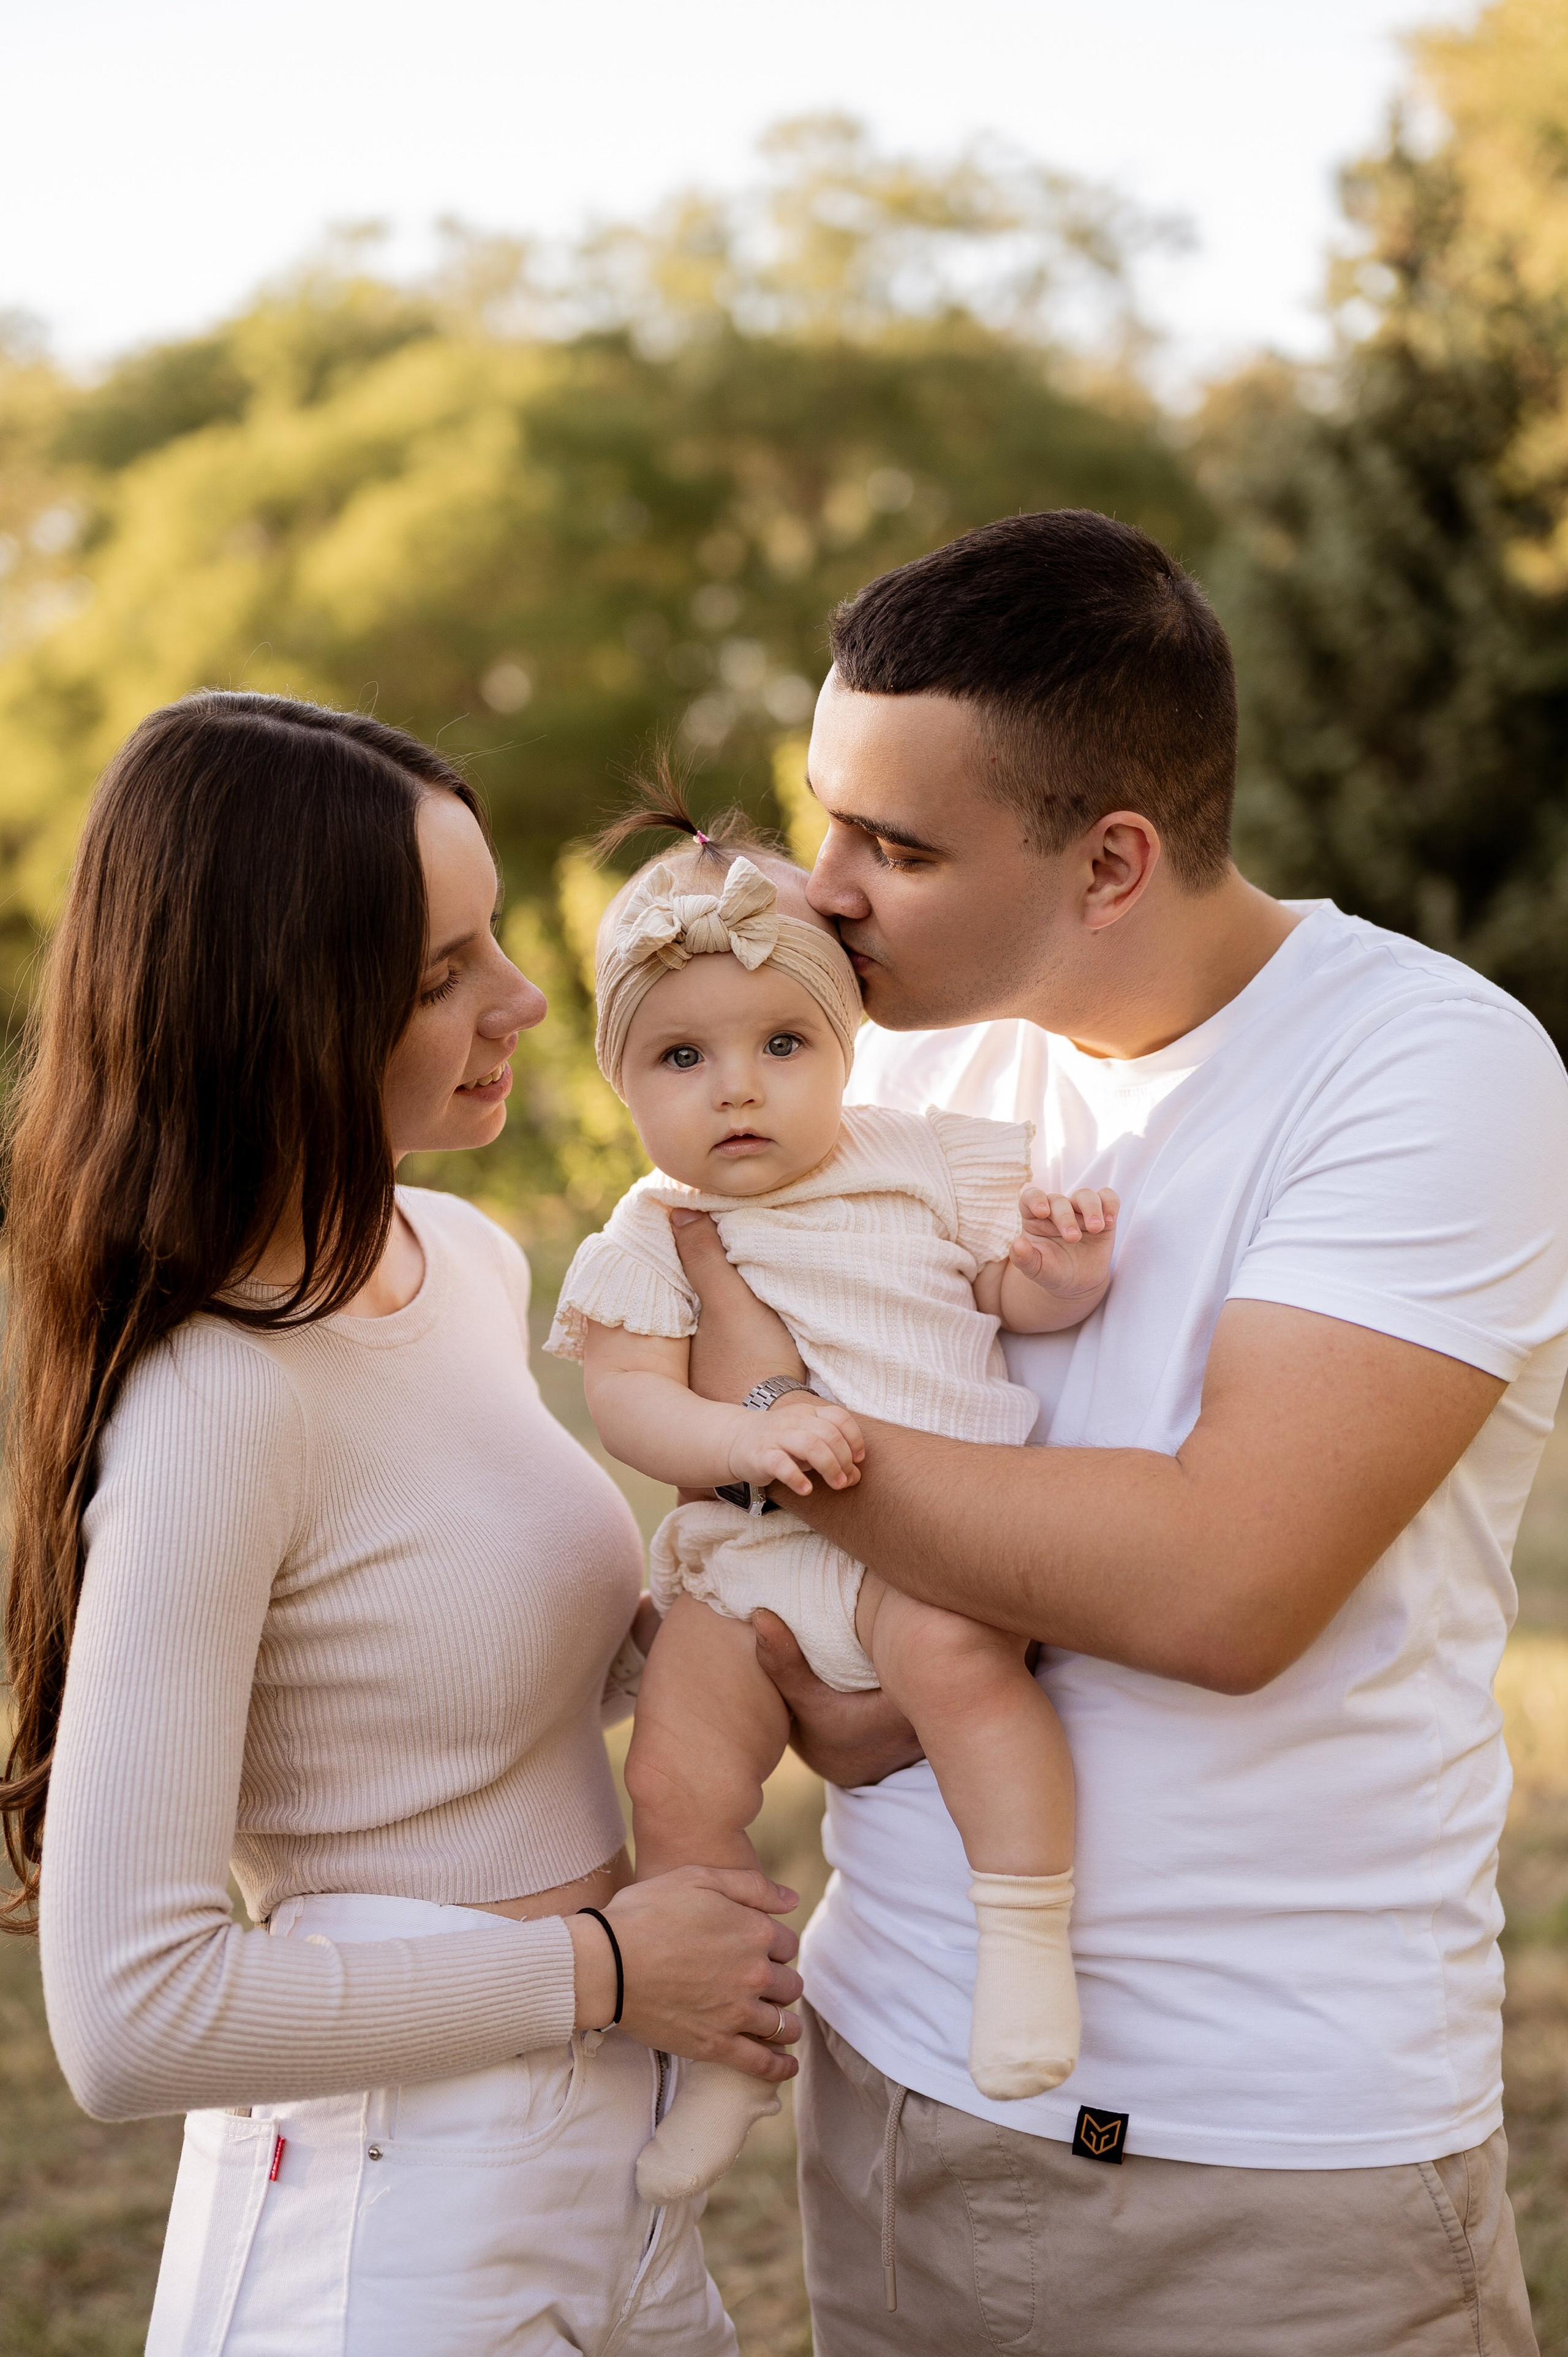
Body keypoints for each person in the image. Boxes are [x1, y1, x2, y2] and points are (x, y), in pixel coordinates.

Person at [665, 510, 1568, 2356]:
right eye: (823, 815)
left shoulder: (1427, 1069)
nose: (821, 890)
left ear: (1113, 863)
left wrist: (775, 1430)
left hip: (1259, 2168)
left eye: (895, 846)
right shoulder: (894, 1063)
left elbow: (1223, 1585)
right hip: (896, 2077)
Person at [1, 692, 805, 2357]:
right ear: (280, 1013)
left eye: (494, 934)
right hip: (391, 2219)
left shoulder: (462, 1265)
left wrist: (753, 1637)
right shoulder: (221, 1395)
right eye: (442, 974)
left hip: (606, 2154)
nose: (522, 998)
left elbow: (435, 1673)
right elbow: (131, 2019)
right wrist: (596, 1969)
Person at [547, 798, 1118, 2201]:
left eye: (780, 1046)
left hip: (925, 1551)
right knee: (674, 1778)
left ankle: (1024, 1942)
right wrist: (752, 1430)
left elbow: (1002, 1291)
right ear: (622, 1081)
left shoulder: (914, 1157)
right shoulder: (651, 1228)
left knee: (965, 1674)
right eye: (682, 1056)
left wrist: (1057, 1277)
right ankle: (731, 2051)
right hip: (748, 1560)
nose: (736, 1089)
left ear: (843, 1052)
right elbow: (627, 1399)